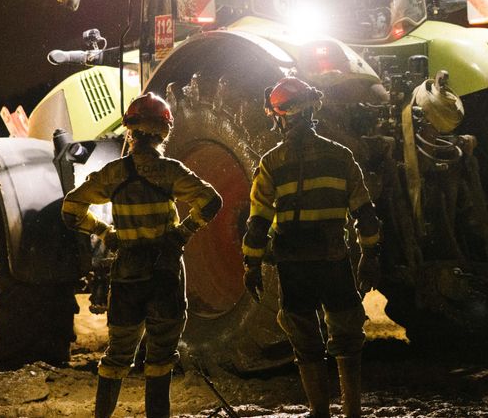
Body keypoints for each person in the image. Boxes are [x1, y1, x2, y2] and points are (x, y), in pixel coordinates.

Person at [62, 92, 223, 418]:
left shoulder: (113, 174)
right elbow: (212, 201)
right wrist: (183, 232)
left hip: (127, 276)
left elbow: (70, 209)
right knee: (161, 357)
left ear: (130, 132)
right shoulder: (169, 172)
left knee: (118, 356)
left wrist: (105, 232)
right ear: (163, 132)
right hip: (165, 275)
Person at [242, 77, 381, 418]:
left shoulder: (271, 163)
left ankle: (320, 413)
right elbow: (367, 215)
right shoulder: (342, 157)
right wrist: (370, 257)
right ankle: (352, 412)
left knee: (305, 342)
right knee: (347, 337)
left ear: (280, 117)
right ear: (312, 110)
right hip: (335, 261)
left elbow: (258, 223)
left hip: (294, 266)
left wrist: (252, 265)